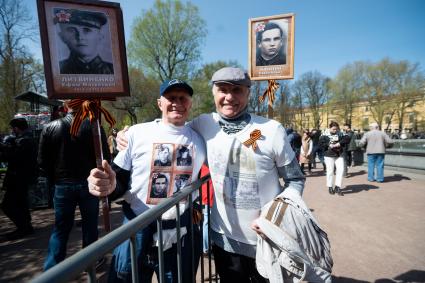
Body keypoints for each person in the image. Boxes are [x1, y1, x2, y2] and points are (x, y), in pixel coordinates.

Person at [116, 67, 306, 282]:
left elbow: (295, 180)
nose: (229, 97)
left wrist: (275, 216)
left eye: (237, 90)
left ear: (248, 93)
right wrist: (126, 135)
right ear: (214, 93)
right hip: (224, 239)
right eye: (223, 90)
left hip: (266, 238)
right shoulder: (203, 124)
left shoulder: (272, 129)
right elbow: (169, 128)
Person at [87, 79, 206, 282]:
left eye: (182, 98)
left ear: (190, 103)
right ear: (160, 103)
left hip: (179, 231)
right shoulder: (137, 133)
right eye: (171, 98)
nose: (177, 102)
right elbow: (118, 178)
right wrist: (108, 185)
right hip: (137, 227)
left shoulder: (200, 138)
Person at [38, 100, 110, 270]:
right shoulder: (94, 126)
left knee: (61, 227)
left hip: (63, 184)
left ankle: (53, 268)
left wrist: (54, 178)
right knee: (90, 224)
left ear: (65, 107)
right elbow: (106, 156)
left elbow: (42, 161)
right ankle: (90, 261)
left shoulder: (50, 127)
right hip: (88, 183)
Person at [0, 118, 37, 240]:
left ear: (16, 128)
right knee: (21, 202)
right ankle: (26, 226)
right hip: (21, 178)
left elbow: (14, 158)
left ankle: (23, 227)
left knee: (8, 205)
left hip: (18, 178)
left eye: (13, 128)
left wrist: (4, 148)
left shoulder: (24, 141)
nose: (12, 131)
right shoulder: (27, 139)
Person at [54, 9, 114, 74]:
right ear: (62, 37)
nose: (80, 37)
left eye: (87, 30)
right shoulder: (57, 70)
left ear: (100, 36)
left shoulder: (112, 70)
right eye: (72, 30)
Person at [319, 121, 350, 196]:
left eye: (336, 129)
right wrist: (328, 144)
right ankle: (330, 186)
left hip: (339, 154)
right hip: (328, 155)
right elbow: (320, 144)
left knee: (341, 170)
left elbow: (347, 138)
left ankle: (337, 186)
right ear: (329, 128)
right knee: (330, 171)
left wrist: (339, 143)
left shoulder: (340, 133)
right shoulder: (324, 134)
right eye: (333, 129)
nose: (335, 131)